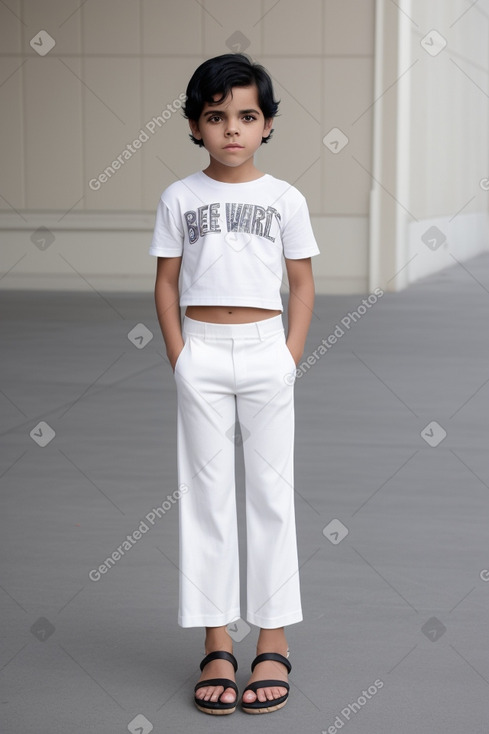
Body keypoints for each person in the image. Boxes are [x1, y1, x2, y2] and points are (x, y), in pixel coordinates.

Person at [149, 53, 320, 715]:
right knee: (207, 498)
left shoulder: (284, 199)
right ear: (195, 125)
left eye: (246, 116)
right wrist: (179, 356)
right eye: (215, 117)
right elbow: (166, 282)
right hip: (203, 353)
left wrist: (288, 356)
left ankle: (271, 639)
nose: (231, 130)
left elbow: (300, 282)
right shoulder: (179, 198)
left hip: (263, 351)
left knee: (270, 496)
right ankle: (216, 641)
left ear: (267, 124)